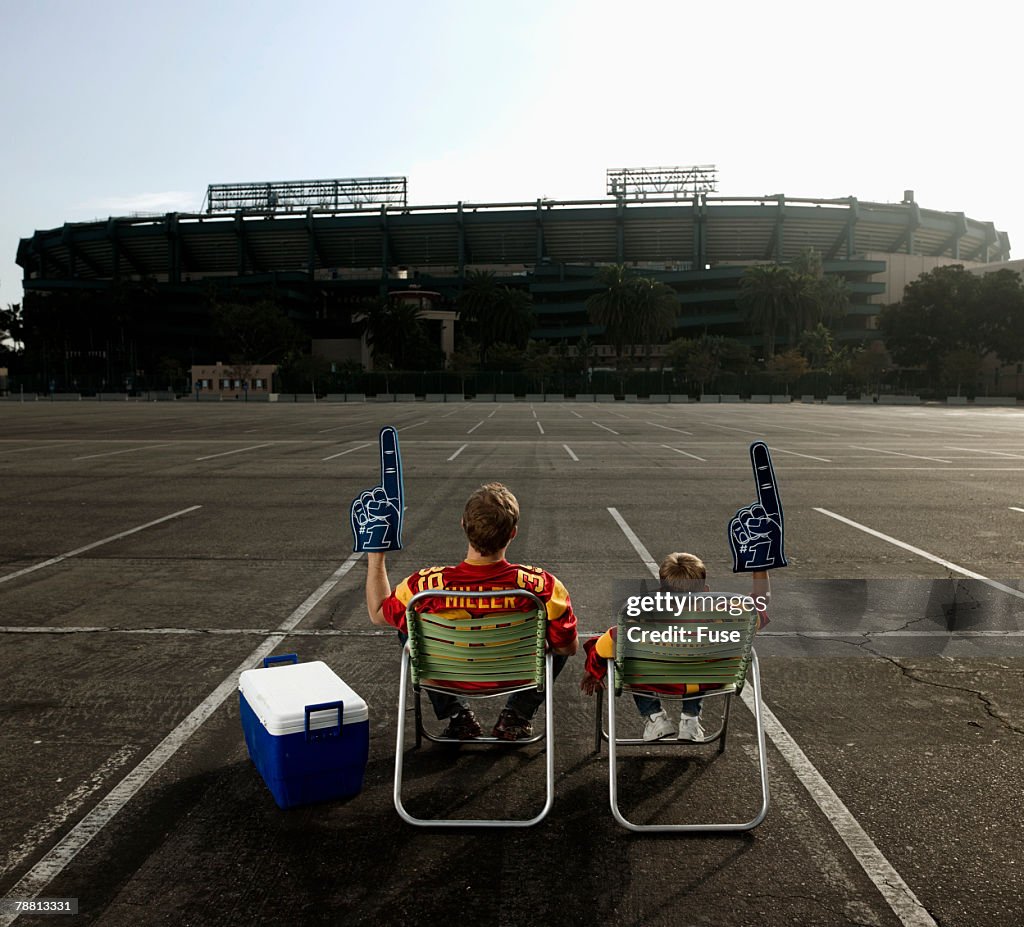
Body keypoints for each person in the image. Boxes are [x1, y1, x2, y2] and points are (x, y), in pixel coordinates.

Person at [366, 481, 579, 741]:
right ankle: (517, 715)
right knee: (558, 634)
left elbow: (377, 612)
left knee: (409, 627)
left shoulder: (422, 588)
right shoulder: (543, 587)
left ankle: (458, 716)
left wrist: (376, 553)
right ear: (513, 533)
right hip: (516, 676)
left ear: (463, 526)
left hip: (446, 677)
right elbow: (567, 648)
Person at [580, 552, 769, 742]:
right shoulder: (724, 613)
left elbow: (604, 646)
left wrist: (593, 670)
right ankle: (690, 719)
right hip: (707, 678)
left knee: (626, 656)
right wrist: (759, 568)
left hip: (657, 678)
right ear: (705, 589)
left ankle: (654, 718)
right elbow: (760, 604)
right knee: (703, 657)